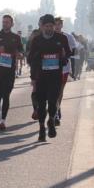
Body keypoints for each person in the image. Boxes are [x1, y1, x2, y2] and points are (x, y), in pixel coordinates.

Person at [27, 14, 69, 142]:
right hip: (41, 77)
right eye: (46, 26)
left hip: (55, 77)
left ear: (54, 26)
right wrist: (33, 77)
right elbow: (30, 59)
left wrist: (63, 56)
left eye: (51, 26)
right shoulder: (37, 40)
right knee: (41, 104)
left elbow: (68, 54)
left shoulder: (61, 38)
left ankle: (51, 120)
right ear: (42, 27)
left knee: (52, 101)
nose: (49, 28)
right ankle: (41, 128)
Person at [0, 13, 24, 131]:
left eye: (7, 22)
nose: (5, 24)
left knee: (6, 95)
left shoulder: (16, 37)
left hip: (9, 71)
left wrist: (20, 54)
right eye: (3, 22)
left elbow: (21, 51)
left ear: (12, 24)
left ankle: (3, 121)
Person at [55, 17, 78, 124]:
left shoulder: (68, 37)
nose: (57, 26)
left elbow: (74, 52)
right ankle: (55, 110)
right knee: (52, 91)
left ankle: (57, 109)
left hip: (64, 68)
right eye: (55, 24)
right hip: (50, 68)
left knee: (60, 91)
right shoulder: (48, 37)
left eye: (59, 24)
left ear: (62, 25)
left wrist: (65, 53)